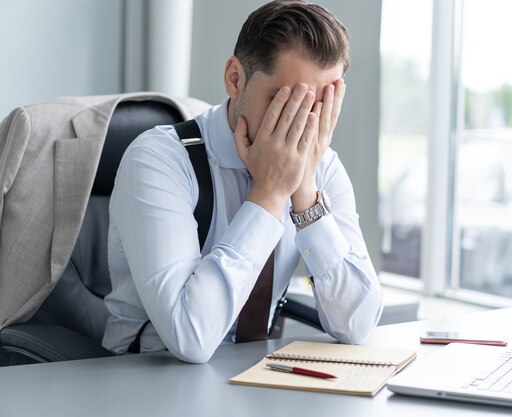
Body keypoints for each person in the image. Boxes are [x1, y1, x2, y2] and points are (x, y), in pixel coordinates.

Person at [103, 0, 383, 363]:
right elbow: (190, 336)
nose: (302, 126)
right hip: (142, 375)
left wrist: (305, 193)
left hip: (254, 379)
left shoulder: (323, 169)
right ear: (235, 79)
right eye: (286, 102)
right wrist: (269, 193)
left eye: (318, 107)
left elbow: (359, 325)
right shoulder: (158, 160)